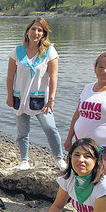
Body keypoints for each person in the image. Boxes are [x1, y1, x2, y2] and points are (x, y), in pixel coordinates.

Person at [6, 17, 66, 171]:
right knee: (22, 132)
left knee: (50, 128)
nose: (36, 32)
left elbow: (53, 77)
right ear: (27, 31)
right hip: (20, 96)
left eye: (40, 30)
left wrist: (51, 99)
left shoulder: (49, 51)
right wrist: (9, 95)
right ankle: (24, 160)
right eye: (33, 29)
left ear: (44, 34)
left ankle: (59, 158)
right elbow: (10, 76)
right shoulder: (17, 51)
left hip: (41, 99)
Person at [64, 52, 106, 170]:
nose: (104, 71)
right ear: (95, 69)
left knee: (101, 181)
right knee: (79, 178)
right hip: (81, 145)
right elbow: (78, 114)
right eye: (101, 67)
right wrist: (69, 138)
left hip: (104, 148)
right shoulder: (88, 88)